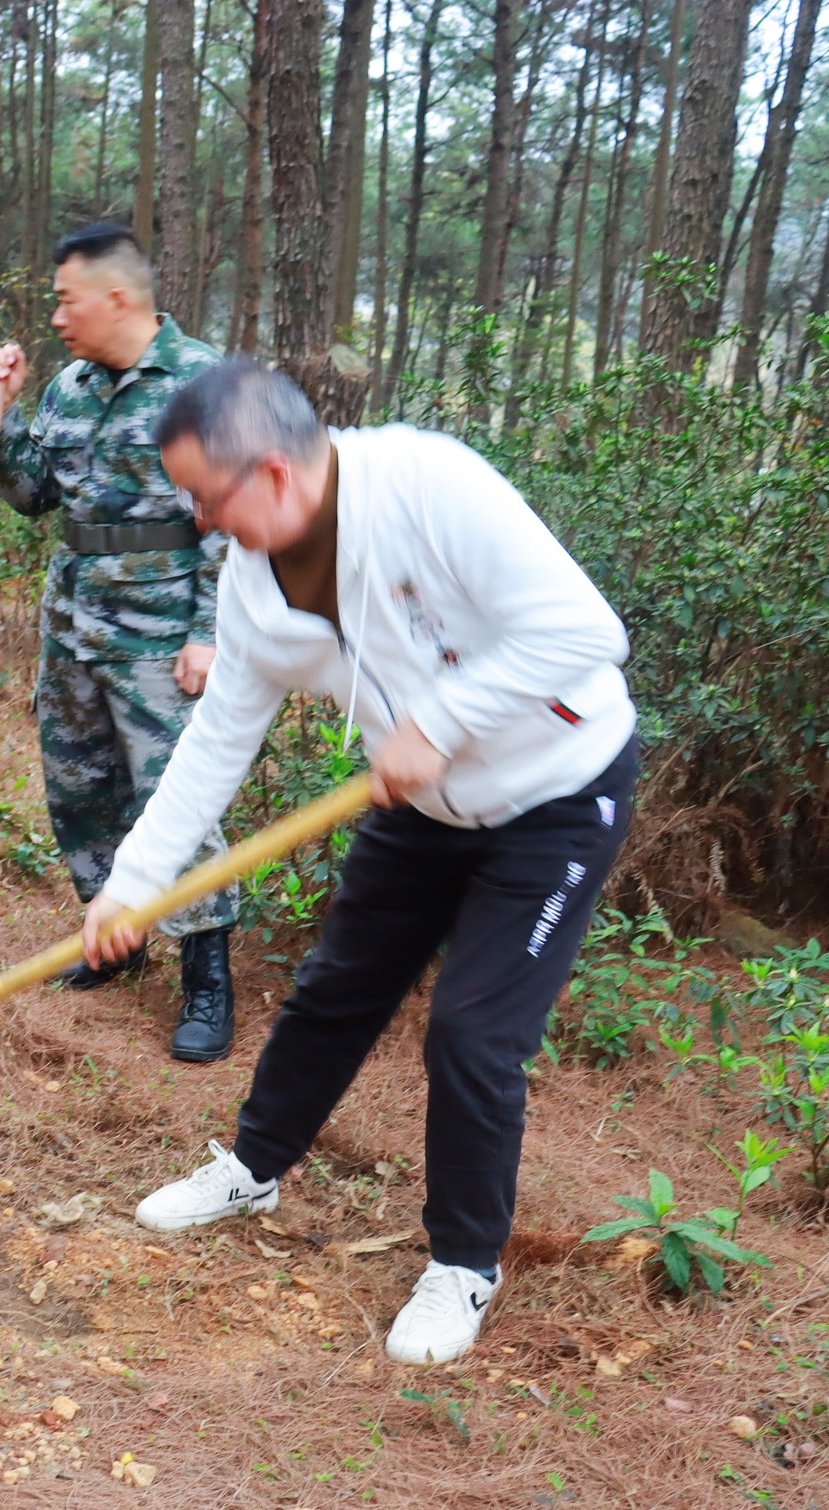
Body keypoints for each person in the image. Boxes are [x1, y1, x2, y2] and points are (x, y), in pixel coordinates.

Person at [83, 357, 639, 1366]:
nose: (203, 523)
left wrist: (444, 717)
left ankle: (465, 1263)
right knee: (336, 985)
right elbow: (217, 740)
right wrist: (134, 882)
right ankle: (254, 1164)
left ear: (276, 476)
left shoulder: (432, 487)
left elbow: (586, 632)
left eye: (209, 498)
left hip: (554, 794)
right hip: (422, 798)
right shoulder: (254, 582)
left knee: (472, 1034)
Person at [0, 220, 237, 1063]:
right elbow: (30, 494)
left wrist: (210, 636)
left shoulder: (205, 385)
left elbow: (233, 528)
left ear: (116, 297)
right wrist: (3, 412)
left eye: (65, 299)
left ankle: (207, 975)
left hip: (161, 632)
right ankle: (113, 935)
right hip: (73, 623)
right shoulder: (72, 386)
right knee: (79, 789)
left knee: (176, 798)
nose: (55, 317)